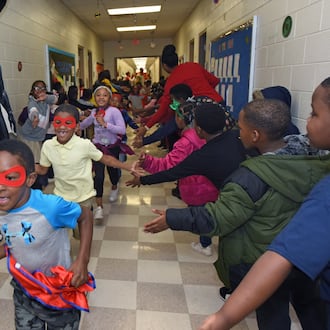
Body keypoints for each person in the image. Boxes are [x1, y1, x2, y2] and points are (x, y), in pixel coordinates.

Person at [143, 98, 330, 330]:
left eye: (240, 129)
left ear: (255, 136)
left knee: (272, 313)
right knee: (312, 308)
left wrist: (171, 219)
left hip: (263, 257)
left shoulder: (250, 178)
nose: (236, 134)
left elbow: (217, 217)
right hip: (306, 256)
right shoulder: (317, 160)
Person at [198, 77, 330, 330]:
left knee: (275, 309)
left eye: (314, 113)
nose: (309, 120)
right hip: (308, 270)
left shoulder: (255, 173)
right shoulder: (311, 158)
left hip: (266, 255)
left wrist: (225, 316)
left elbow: (281, 254)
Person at [0, 139, 94, 329]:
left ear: (30, 179)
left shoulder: (51, 207)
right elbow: (14, 240)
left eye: (10, 178)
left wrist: (82, 260)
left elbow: (86, 217)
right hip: (23, 289)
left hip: (57, 291)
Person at [37, 104, 139, 227]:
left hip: (83, 199)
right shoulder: (48, 146)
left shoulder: (84, 145)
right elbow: (43, 170)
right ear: (53, 124)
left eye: (68, 123)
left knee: (83, 232)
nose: (62, 127)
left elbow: (105, 159)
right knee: (64, 232)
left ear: (76, 127)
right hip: (61, 198)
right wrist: (24, 168)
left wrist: (127, 166)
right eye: (58, 122)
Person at [138, 100, 219, 255]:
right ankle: (206, 241)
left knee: (200, 215)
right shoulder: (209, 137)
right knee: (207, 211)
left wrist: (147, 162)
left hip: (195, 187)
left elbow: (169, 166)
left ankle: (205, 245)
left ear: (181, 119)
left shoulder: (185, 143)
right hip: (211, 184)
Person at [136, 44, 223, 140]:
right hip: (218, 104)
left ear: (164, 65)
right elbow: (215, 81)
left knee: (175, 126)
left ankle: (145, 142)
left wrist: (146, 127)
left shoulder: (171, 82)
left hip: (201, 112)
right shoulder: (193, 66)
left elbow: (163, 110)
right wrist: (206, 94)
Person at [79, 85, 126, 218]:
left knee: (112, 172)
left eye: (104, 95)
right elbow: (85, 124)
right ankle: (99, 206)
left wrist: (106, 124)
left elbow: (122, 130)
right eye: (98, 95)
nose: (101, 97)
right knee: (98, 176)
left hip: (111, 148)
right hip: (97, 147)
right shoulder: (94, 112)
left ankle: (114, 186)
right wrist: (75, 126)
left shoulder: (114, 111)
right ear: (95, 98)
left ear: (109, 98)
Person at [19, 80, 58, 190]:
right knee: (35, 163)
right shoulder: (32, 101)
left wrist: (45, 97)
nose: (40, 91)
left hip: (38, 137)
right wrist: (35, 117)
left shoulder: (46, 101)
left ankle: (38, 184)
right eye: (37, 89)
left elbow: (55, 98)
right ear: (32, 91)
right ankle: (34, 186)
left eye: (43, 89)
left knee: (39, 160)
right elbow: (32, 110)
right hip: (29, 137)